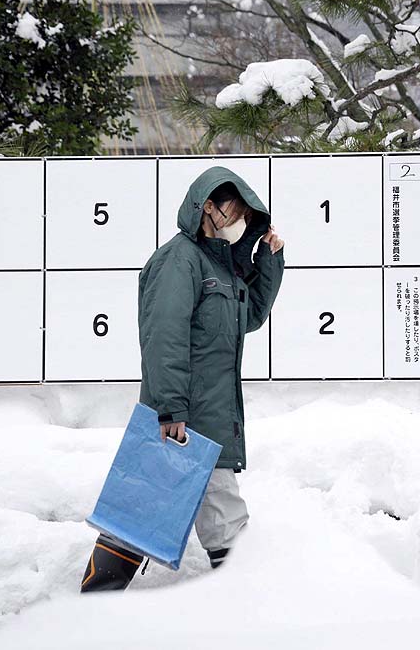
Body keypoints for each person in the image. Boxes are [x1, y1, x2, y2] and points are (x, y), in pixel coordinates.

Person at [80, 166, 285, 592]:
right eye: (235, 210)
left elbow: (249, 315)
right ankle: (252, 608)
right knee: (210, 519)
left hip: (209, 415)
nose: (240, 220)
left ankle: (95, 605)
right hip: (185, 418)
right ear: (207, 206)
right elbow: (163, 337)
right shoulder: (180, 259)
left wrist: (268, 259)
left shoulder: (220, 267)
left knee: (144, 514)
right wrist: (170, 407)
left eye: (247, 213)